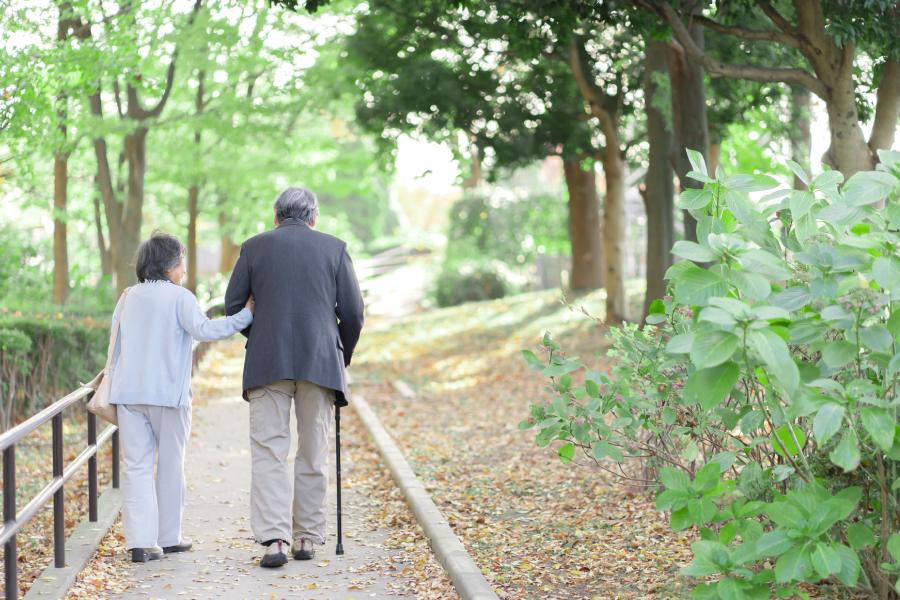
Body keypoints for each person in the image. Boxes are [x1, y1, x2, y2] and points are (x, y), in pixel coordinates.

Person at [224, 186, 364, 568]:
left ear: (275, 216)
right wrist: (340, 354)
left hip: (267, 363)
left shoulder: (253, 247)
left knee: (269, 451)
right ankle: (306, 537)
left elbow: (234, 306)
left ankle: (275, 541)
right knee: (313, 450)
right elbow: (352, 313)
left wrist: (263, 331)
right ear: (313, 218)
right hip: (319, 363)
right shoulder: (334, 248)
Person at [110, 231, 255, 562]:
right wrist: (246, 314)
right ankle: (168, 537)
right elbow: (207, 331)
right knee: (171, 465)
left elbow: (115, 348)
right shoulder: (180, 297)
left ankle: (140, 543)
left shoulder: (128, 296)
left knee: (136, 468)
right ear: (169, 265)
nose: (184, 269)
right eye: (181, 262)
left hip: (128, 395)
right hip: (168, 396)